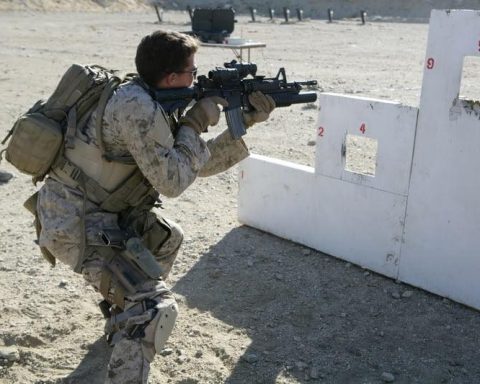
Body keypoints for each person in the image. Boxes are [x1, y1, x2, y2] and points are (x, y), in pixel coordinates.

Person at [35, 30, 275, 384]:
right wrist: (194, 122)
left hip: (102, 210)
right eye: (193, 72)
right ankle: (135, 318)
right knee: (155, 310)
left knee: (165, 239)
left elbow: (190, 164)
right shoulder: (136, 107)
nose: (197, 78)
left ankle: (123, 321)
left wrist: (245, 123)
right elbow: (173, 182)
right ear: (172, 77)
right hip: (74, 223)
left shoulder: (149, 99)